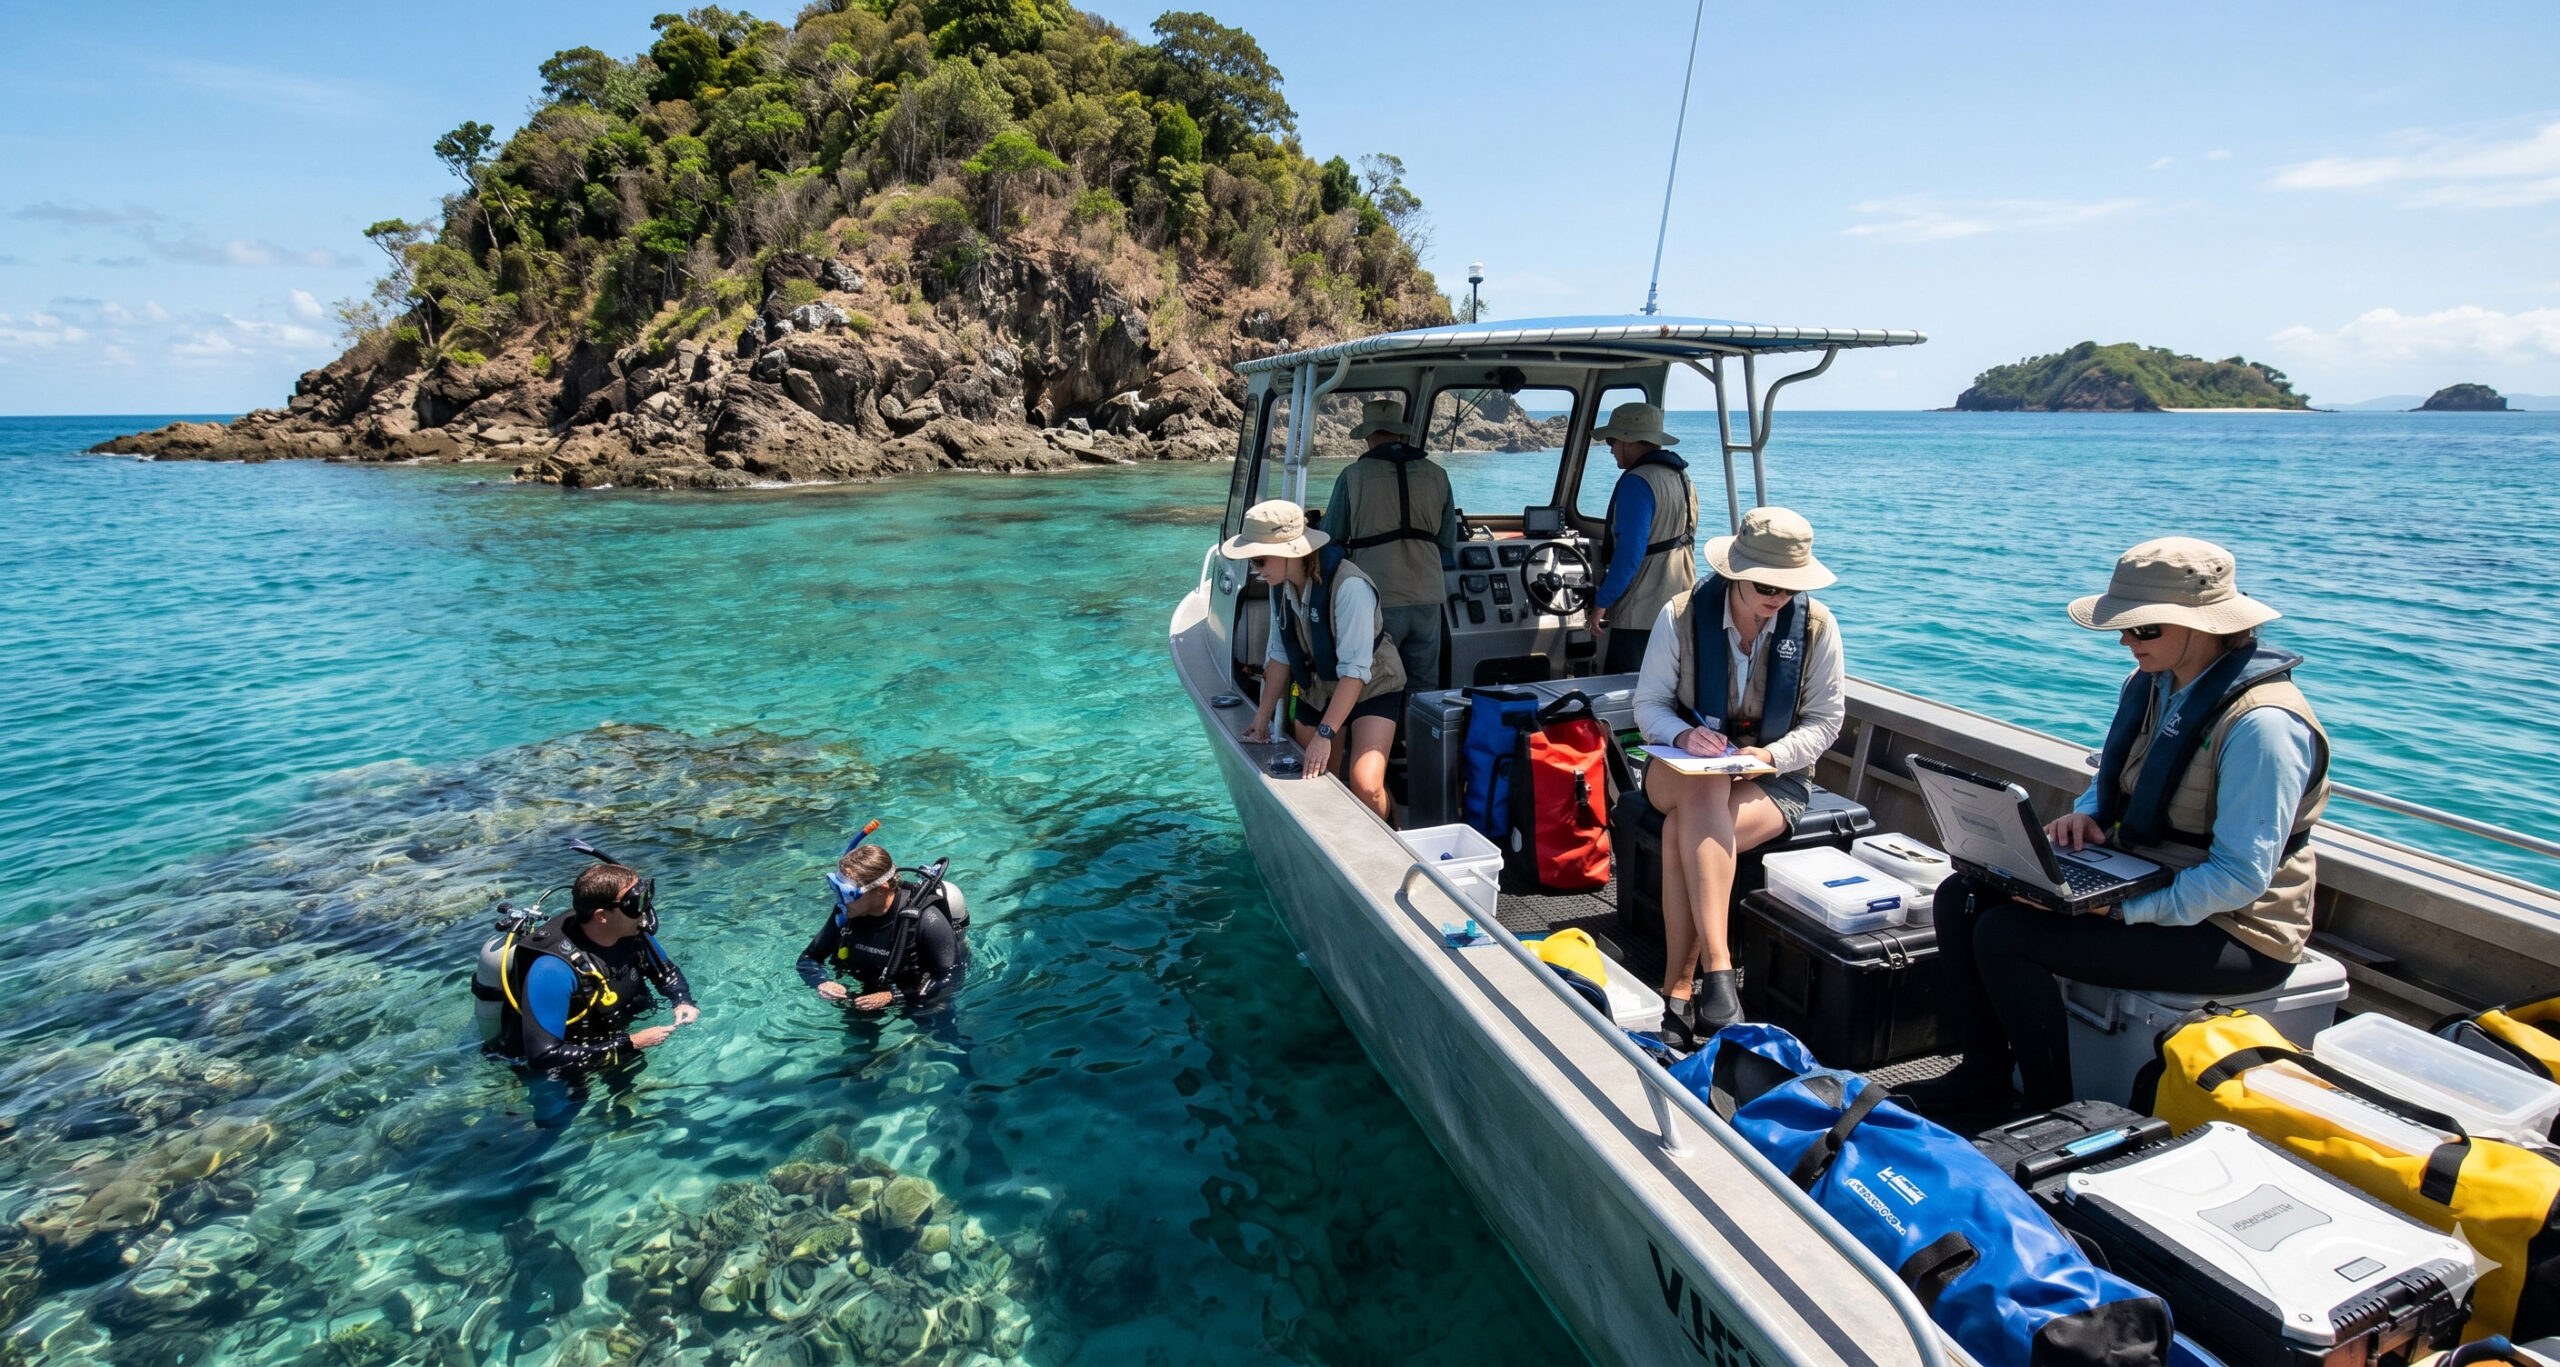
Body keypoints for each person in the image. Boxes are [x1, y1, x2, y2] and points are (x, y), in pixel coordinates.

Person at [1910, 537, 2329, 1113]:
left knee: (2009, 937)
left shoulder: (2264, 727)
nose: (2127, 641)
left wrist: (2119, 910)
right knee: (1963, 895)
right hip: (2138, 876)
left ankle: (2047, 1109)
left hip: (2236, 930)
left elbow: (2240, 878)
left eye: (2143, 629)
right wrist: (2083, 821)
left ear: (2203, 626)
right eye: (2123, 629)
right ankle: (1983, 1073)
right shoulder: (2157, 684)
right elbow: (2113, 781)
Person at [1631, 506, 1845, 1042]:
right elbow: (1648, 706)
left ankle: (1678, 995)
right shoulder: (1679, 615)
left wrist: (1769, 758)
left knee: (1688, 833)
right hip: (1679, 770)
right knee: (1704, 786)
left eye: (1787, 587)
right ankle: (1721, 972)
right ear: (1735, 573)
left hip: (1774, 778)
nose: (1777, 597)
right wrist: (1682, 736)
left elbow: (1826, 721)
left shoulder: (1818, 628)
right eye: (1764, 584)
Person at [1228, 498, 1408, 822]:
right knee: (1322, 779)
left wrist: (1325, 735)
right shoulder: (1279, 587)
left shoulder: (1350, 586)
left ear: (1290, 552)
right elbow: (1281, 653)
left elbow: (1355, 672)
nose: (1255, 570)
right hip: (1319, 687)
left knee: (1365, 786)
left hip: (1372, 684)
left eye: (1258, 559)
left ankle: (1388, 834)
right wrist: (1262, 719)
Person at [483, 858, 699, 1125]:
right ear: (602, 916)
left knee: (629, 1100)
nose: (645, 911)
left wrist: (681, 999)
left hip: (610, 1030)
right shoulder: (552, 970)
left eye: (645, 897)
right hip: (564, 1052)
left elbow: (666, 972)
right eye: (635, 903)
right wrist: (631, 1043)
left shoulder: (632, 930)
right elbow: (543, 1057)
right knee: (560, 1118)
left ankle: (622, 1122)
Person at [1320, 398, 1460, 691]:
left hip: (1378, 596)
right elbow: (1448, 540)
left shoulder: (1352, 476)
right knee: (1424, 684)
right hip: (1428, 595)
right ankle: (1421, 736)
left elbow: (1330, 537)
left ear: (1368, 436)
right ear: (1401, 434)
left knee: (1377, 682)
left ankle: (1383, 739)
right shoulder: (1438, 475)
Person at [1588, 402, 1699, 675]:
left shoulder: (1636, 482)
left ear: (1630, 439)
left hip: (1642, 615)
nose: (1611, 447)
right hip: (1682, 604)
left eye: (1613, 440)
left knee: (1625, 694)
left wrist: (1601, 604)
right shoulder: (1682, 477)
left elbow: (1629, 554)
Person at [798, 841, 970, 1012]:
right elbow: (808, 959)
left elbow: (952, 978)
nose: (840, 900)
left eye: (847, 893)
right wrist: (822, 981)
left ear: (881, 888)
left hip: (915, 995)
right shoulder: (847, 913)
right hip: (867, 993)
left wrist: (894, 996)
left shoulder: (927, 919)